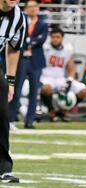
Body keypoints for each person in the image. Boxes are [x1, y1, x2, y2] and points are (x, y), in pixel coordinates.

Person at [9, 0, 47, 130]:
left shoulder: (42, 24)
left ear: (38, 8)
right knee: (16, 91)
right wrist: (30, 41)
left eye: (34, 6)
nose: (32, 9)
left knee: (34, 92)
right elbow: (17, 38)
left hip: (36, 61)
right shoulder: (21, 20)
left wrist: (28, 41)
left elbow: (42, 39)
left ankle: (30, 120)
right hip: (21, 59)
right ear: (25, 9)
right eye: (29, 7)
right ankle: (11, 119)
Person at [0, 0, 26, 183]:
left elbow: (13, 49)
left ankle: (4, 168)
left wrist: (10, 80)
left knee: (2, 114)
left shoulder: (18, 17)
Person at [40, 27, 86, 122]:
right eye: (53, 37)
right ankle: (52, 111)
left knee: (82, 91)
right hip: (46, 77)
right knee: (46, 89)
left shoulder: (67, 49)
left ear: (62, 38)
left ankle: (65, 110)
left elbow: (71, 67)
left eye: (58, 37)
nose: (55, 39)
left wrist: (69, 80)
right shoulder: (45, 48)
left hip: (61, 78)